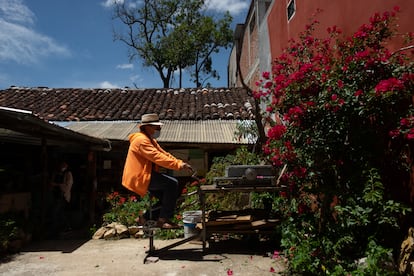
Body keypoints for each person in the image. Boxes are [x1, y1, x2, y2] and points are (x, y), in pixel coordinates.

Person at [122, 113, 192, 229]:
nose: (159, 129)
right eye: (157, 127)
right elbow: (157, 157)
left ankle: (144, 217)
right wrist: (178, 165)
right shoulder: (141, 141)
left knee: (170, 197)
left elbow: (163, 153)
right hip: (140, 176)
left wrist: (179, 162)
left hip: (146, 175)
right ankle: (163, 220)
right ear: (147, 127)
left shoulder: (150, 140)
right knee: (172, 183)